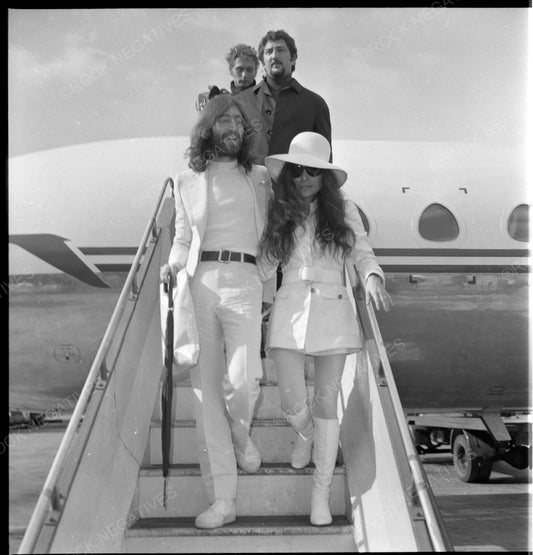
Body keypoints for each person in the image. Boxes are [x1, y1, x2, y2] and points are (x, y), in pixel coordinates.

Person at [257, 132, 392, 526]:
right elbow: (264, 266)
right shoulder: (279, 211)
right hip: (290, 307)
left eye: (312, 171)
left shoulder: (342, 208)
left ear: (325, 175)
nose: (303, 178)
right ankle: (304, 433)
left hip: (333, 309)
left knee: (326, 405)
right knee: (290, 400)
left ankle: (320, 495)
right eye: (297, 170)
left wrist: (371, 277)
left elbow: (361, 250)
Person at [160, 94, 271, 529]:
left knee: (245, 381)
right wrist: (172, 265)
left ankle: (242, 437)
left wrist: (269, 277)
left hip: (245, 282)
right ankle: (223, 499)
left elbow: (276, 230)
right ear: (208, 126)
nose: (231, 126)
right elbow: (184, 238)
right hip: (200, 283)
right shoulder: (187, 178)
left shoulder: (260, 177)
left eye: (237, 120)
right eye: (222, 118)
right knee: (207, 397)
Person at [236, 29, 332, 164]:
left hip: (293, 184)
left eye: (280, 50)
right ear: (263, 62)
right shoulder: (240, 101)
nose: (274, 55)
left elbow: (324, 161)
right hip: (249, 184)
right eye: (269, 52)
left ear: (293, 58)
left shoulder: (315, 104)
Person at [196, 43, 259, 112]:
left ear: (255, 72)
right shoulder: (221, 98)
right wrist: (214, 104)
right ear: (231, 70)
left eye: (249, 70)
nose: (244, 75)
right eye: (240, 69)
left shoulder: (265, 101)